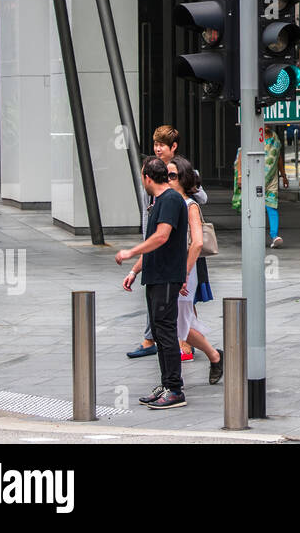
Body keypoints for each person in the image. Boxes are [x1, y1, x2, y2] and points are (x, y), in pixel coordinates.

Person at [127, 125, 209, 360]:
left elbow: (202, 198)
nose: (158, 149)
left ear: (173, 147)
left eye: (162, 145)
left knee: (182, 299)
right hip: (158, 244)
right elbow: (147, 210)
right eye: (155, 144)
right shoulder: (152, 171)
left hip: (179, 245)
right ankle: (155, 339)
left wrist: (188, 183)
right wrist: (146, 239)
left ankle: (191, 346)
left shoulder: (185, 172)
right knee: (162, 297)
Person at [116, 156, 188, 409]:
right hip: (157, 275)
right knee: (159, 331)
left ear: (147, 177)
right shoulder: (160, 201)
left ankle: (175, 389)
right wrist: (135, 271)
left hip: (167, 276)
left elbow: (161, 237)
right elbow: (154, 243)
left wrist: (129, 253)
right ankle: (167, 384)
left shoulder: (170, 200)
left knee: (166, 332)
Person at [166, 157, 224, 384]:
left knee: (177, 323)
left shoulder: (189, 205)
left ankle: (173, 381)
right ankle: (214, 356)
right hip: (171, 270)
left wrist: (185, 273)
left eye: (172, 176)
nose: (167, 180)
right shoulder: (167, 202)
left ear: (182, 179)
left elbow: (197, 244)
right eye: (166, 175)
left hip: (184, 272)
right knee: (178, 323)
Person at [233, 126, 290, 248]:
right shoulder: (252, 136)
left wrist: (284, 176)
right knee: (252, 207)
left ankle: (274, 236)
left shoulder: (275, 138)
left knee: (272, 206)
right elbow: (241, 155)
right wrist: (240, 176)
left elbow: (278, 158)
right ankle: (252, 234)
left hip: (271, 179)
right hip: (254, 177)